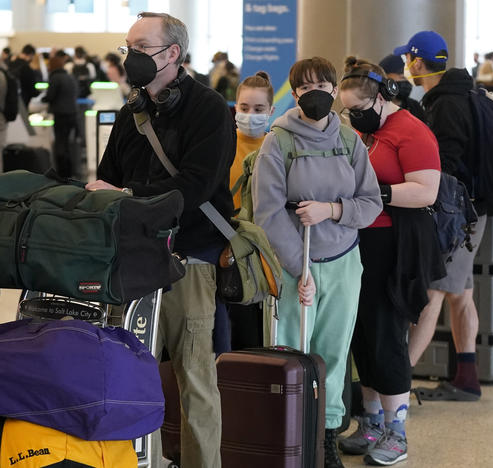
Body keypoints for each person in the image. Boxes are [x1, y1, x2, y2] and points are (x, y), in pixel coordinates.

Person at [85, 12, 234, 468]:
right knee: (122, 374)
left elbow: (195, 188)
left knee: (195, 379)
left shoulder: (208, 109)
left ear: (173, 53)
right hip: (130, 261)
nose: (130, 57)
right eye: (126, 47)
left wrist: (127, 197)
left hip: (189, 260)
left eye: (141, 48)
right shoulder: (134, 110)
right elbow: (108, 176)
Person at [251, 56, 382, 468]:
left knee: (333, 354)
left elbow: (371, 203)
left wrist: (332, 210)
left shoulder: (349, 140)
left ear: (333, 88)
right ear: (295, 93)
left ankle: (325, 438)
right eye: (304, 87)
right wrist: (298, 268)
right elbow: (268, 213)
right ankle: (288, 437)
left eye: (322, 85)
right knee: (292, 353)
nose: (314, 93)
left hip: (344, 261)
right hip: (296, 265)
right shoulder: (279, 140)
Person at [337, 56, 441, 465]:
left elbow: (426, 190)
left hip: (396, 241)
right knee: (361, 332)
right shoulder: (362, 132)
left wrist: (375, 194)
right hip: (359, 238)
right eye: (348, 112)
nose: (355, 117)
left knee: (385, 334)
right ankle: (372, 420)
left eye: (361, 110)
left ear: (382, 98)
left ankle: (397, 430)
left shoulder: (412, 131)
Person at [395, 30, 488, 402]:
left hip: (457, 213)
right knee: (460, 294)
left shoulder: (446, 104)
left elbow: (446, 164)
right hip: (472, 210)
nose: (405, 66)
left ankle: (397, 387)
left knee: (432, 291)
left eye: (407, 60)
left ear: (418, 63)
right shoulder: (459, 95)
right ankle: (467, 377)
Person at [228, 70, 275, 350]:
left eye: (259, 109)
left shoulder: (276, 146)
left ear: (271, 110)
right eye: (244, 108)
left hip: (266, 246)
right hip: (229, 244)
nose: (250, 114)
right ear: (235, 108)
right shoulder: (222, 144)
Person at [42, 55, 78, 178]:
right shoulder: (69, 77)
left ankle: (61, 173)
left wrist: (42, 98)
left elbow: (50, 96)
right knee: (67, 144)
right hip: (72, 114)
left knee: (60, 144)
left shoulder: (55, 78)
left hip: (60, 115)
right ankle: (69, 172)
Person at [378, 53, 426, 122]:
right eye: (402, 77)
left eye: (408, 77)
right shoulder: (376, 108)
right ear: (385, 77)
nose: (406, 82)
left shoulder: (414, 107)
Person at [9, 44, 39, 108]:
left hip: (10, 101)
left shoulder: (11, 64)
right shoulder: (26, 68)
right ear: (31, 55)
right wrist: (38, 93)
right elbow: (32, 89)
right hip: (22, 101)